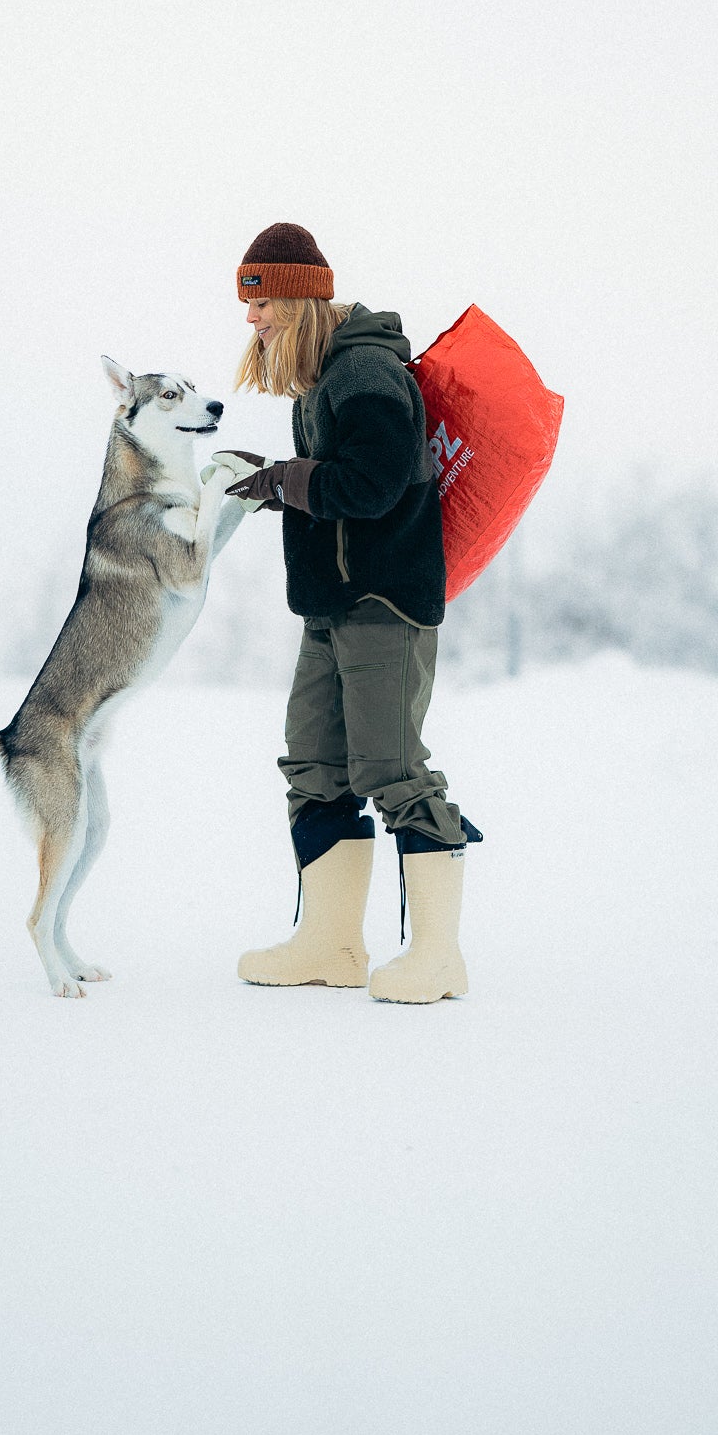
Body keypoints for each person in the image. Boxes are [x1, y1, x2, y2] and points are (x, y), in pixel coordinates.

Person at [219, 222, 480, 1005]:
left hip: (382, 605)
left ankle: (437, 959)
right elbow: (334, 486)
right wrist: (272, 481)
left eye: (259, 302)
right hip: (331, 608)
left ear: (297, 299)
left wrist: (281, 480)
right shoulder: (323, 379)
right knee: (314, 768)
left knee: (390, 770)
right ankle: (330, 943)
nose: (250, 319)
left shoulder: (365, 370)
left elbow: (370, 485)